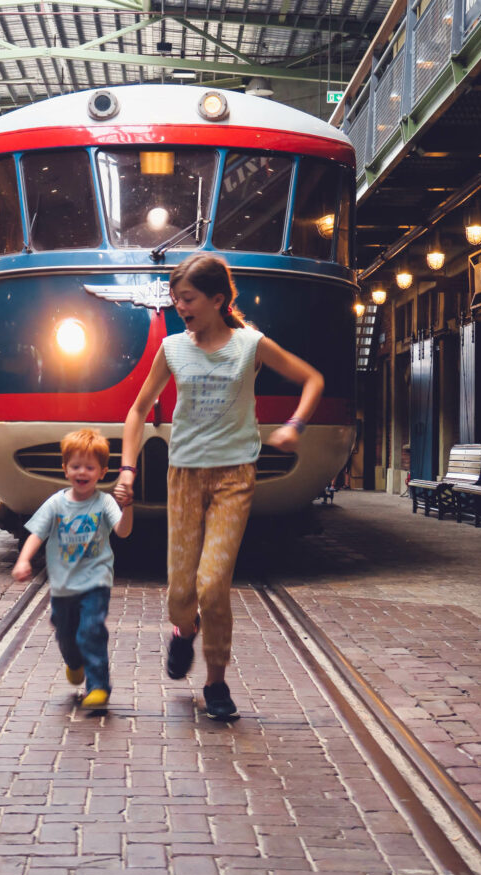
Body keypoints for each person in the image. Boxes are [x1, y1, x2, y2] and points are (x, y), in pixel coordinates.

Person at [114, 253, 324, 721]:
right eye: (175, 299)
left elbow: (311, 379)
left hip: (234, 476)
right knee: (180, 594)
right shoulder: (172, 349)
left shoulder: (250, 345)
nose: (179, 307)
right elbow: (137, 410)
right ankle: (182, 631)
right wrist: (127, 469)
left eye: (187, 299)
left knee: (213, 585)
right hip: (184, 475)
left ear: (217, 299)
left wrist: (294, 425)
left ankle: (216, 681)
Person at [12, 428, 133, 710]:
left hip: (96, 582)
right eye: (76, 466)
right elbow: (37, 534)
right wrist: (24, 560)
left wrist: (127, 507)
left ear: (102, 472)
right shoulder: (56, 504)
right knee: (66, 635)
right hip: (63, 587)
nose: (82, 472)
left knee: (90, 630)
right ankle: (74, 662)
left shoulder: (104, 503)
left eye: (90, 467)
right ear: (65, 468)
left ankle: (99, 687)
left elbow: (123, 532)